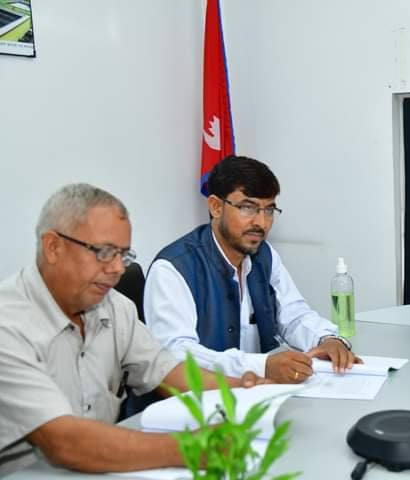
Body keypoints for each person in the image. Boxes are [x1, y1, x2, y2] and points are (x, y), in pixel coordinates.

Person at [0, 184, 263, 475]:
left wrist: (249, 390)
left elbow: (169, 373)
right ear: (53, 246)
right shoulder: (7, 325)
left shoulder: (114, 307)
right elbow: (64, 442)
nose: (117, 269)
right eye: (104, 252)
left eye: (123, 255)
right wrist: (189, 447)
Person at [144, 155, 358, 384]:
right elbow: (176, 355)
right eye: (248, 208)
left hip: (256, 395)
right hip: (197, 401)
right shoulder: (172, 269)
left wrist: (327, 339)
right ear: (216, 207)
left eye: (269, 210)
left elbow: (294, 314)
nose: (262, 223)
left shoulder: (264, 255)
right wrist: (261, 367)